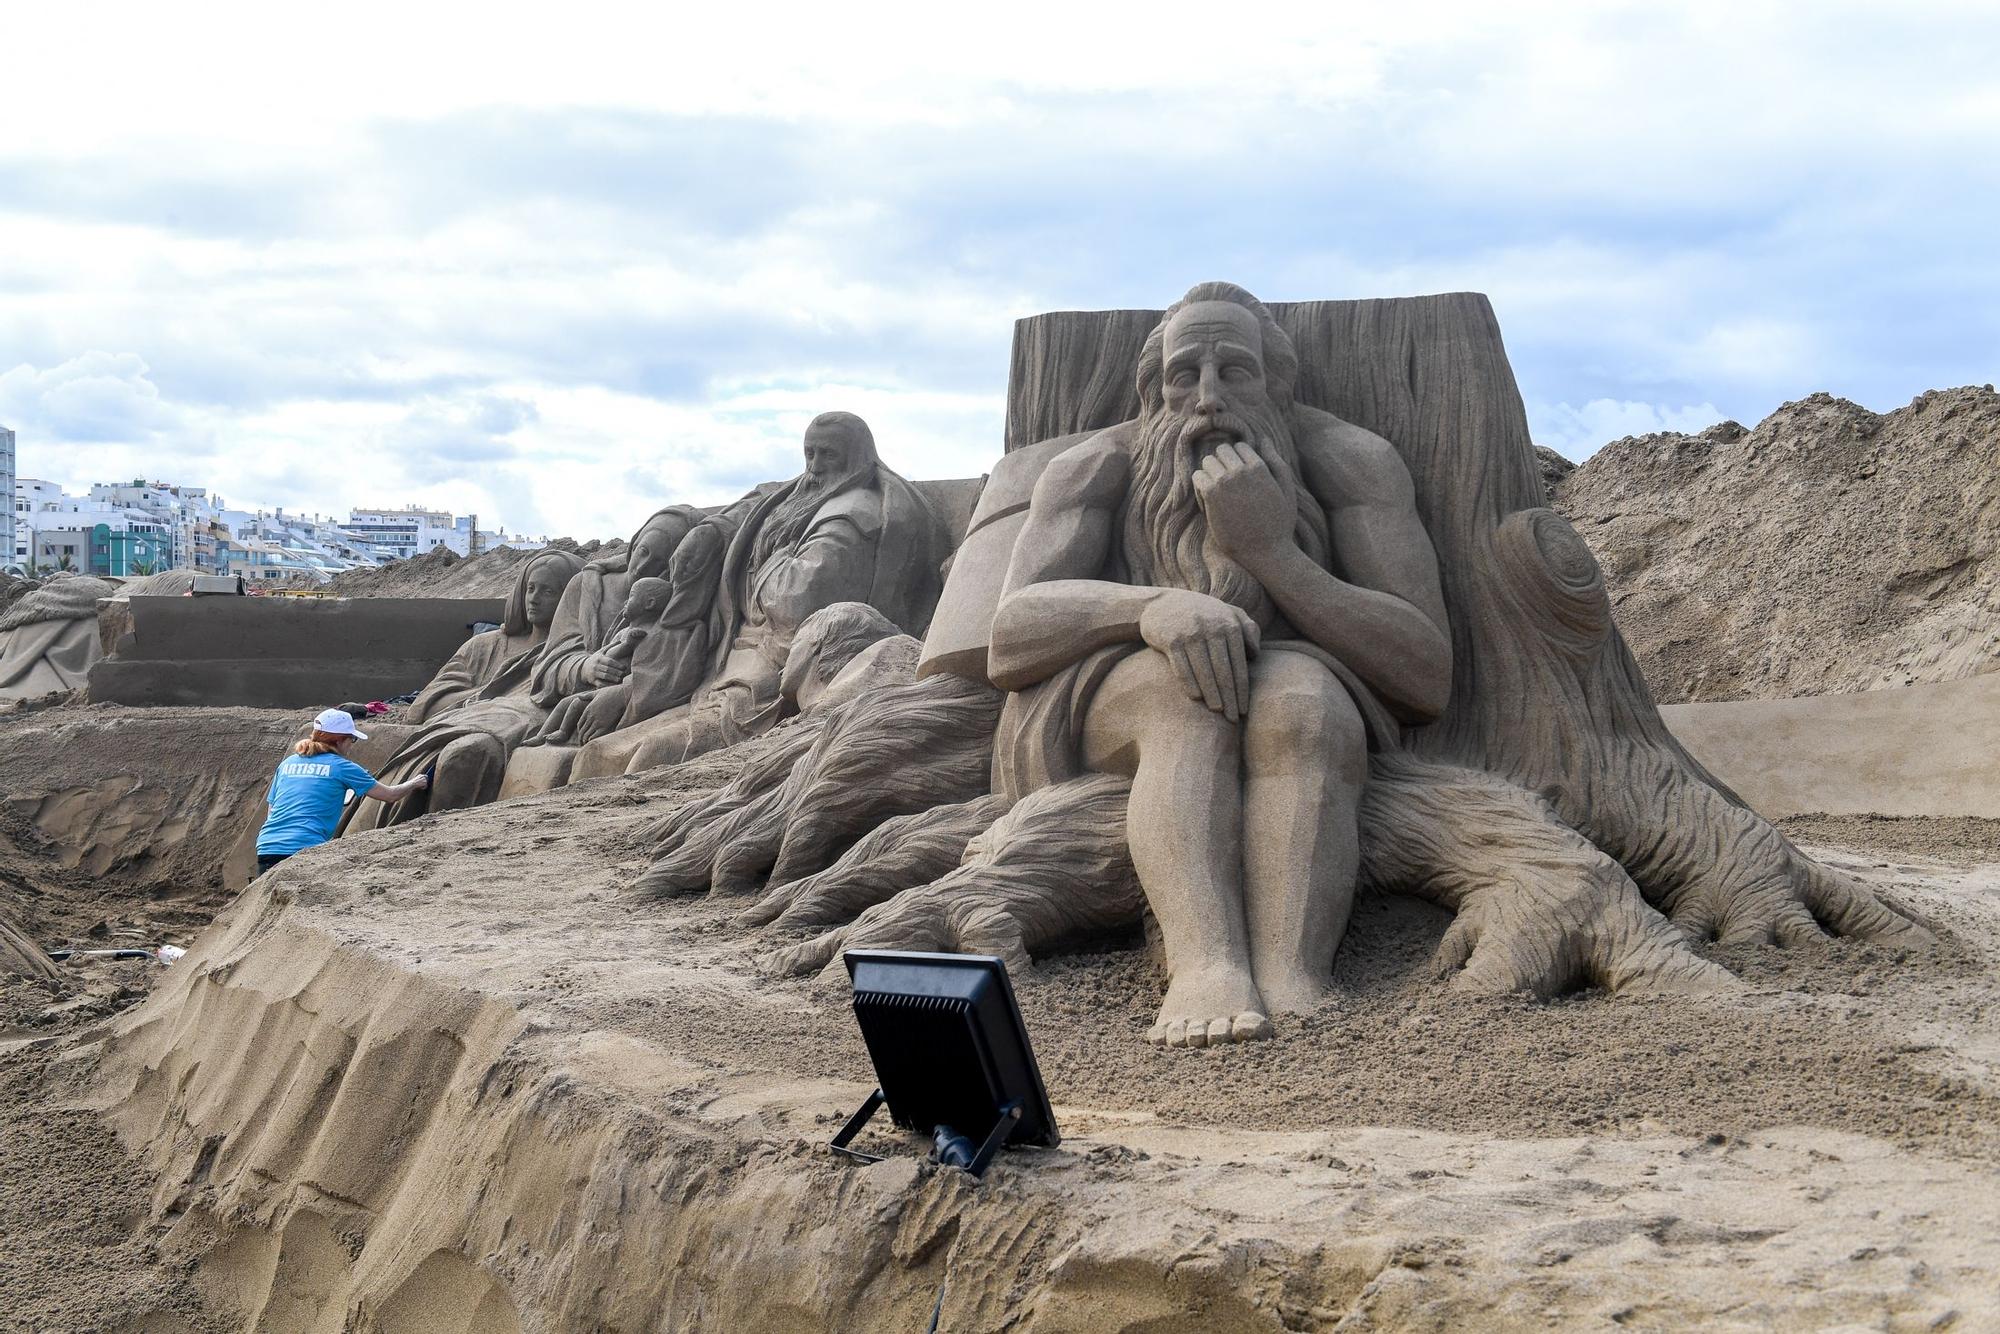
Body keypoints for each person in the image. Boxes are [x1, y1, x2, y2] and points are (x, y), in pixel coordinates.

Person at [988, 282, 1451, 1048]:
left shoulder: (1348, 464)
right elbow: (1010, 635)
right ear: (1154, 386)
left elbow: (1424, 672)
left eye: (1234, 372)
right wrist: (1149, 610)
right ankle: (1206, 964)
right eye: (1184, 374)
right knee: (1187, 697)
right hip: (1111, 684)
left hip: (1295, 665)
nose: (1207, 399)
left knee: (1303, 706)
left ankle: (1292, 972)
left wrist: (1271, 552)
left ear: (1276, 381)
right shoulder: (1095, 468)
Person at [255, 708, 429, 872]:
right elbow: (390, 795)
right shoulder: (342, 767)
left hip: (267, 847)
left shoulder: (288, 763)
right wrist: (415, 782)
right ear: (339, 740)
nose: (351, 745)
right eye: (351, 739)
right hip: (303, 848)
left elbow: (272, 811)